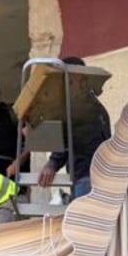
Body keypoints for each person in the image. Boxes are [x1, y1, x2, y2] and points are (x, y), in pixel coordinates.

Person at [37, 57, 111, 198]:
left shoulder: (82, 107)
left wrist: (52, 163)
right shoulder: (93, 105)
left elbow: (68, 139)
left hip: (89, 177)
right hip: (95, 176)